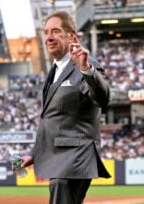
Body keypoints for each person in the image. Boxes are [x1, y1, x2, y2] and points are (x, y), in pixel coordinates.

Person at [20, 11, 111, 204]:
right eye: (46, 32)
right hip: (59, 156)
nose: (49, 37)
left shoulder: (85, 64)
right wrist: (35, 154)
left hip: (77, 157)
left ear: (71, 36)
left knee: (60, 186)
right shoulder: (54, 70)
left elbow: (103, 98)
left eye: (55, 31)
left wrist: (86, 69)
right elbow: (52, 121)